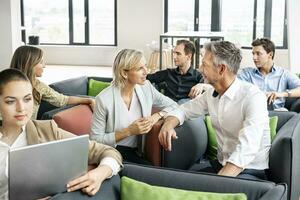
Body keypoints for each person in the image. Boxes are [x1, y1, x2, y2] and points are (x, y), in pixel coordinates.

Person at [0, 68, 122, 200]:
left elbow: (109, 152)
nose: (21, 108)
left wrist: (100, 173)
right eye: (10, 101)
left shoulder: (47, 131)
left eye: (27, 99)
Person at [159, 41, 270, 180]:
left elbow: (247, 149)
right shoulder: (211, 94)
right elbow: (183, 110)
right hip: (221, 164)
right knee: (179, 182)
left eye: (204, 64)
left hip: (249, 169)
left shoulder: (253, 97)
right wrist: (168, 124)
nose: (199, 69)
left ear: (222, 69)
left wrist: (218, 182)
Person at [90, 49, 177, 165]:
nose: (146, 71)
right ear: (124, 73)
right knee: (150, 173)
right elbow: (95, 140)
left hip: (139, 152)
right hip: (113, 152)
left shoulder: (146, 87)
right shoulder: (103, 99)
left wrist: (157, 116)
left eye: (145, 66)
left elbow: (174, 105)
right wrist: (128, 131)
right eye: (140, 68)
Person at [9, 45, 95, 119]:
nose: (44, 66)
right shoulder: (6, 86)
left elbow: (62, 100)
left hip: (30, 129)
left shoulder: (39, 86)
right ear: (29, 64)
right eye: (41, 62)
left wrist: (88, 100)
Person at [238, 38, 300, 110]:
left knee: (290, 115)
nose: (254, 58)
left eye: (258, 54)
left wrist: (281, 94)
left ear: (270, 54)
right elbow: (234, 87)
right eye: (253, 53)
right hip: (254, 111)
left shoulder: (284, 74)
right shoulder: (247, 73)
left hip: (277, 113)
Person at [147, 40, 203, 104]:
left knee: (183, 102)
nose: (174, 57)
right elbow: (146, 78)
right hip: (167, 109)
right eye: (174, 53)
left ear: (189, 57)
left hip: (186, 111)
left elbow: (213, 89)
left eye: (178, 54)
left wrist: (202, 85)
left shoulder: (198, 77)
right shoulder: (168, 73)